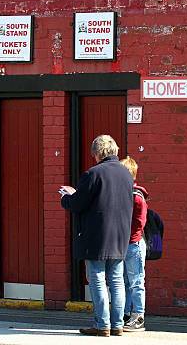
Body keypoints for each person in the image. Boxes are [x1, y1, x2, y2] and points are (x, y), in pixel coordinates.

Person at [59, 135, 133, 337]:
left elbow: (77, 204)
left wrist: (67, 196)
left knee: (97, 279)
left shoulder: (93, 174)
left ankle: (102, 325)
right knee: (117, 280)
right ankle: (117, 324)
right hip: (120, 235)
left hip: (96, 236)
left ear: (98, 153)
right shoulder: (127, 174)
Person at [120, 156, 148, 332]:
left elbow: (139, 223)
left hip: (133, 244)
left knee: (136, 282)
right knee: (124, 282)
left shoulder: (136, 197)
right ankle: (125, 313)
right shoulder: (124, 194)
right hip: (124, 244)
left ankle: (138, 316)